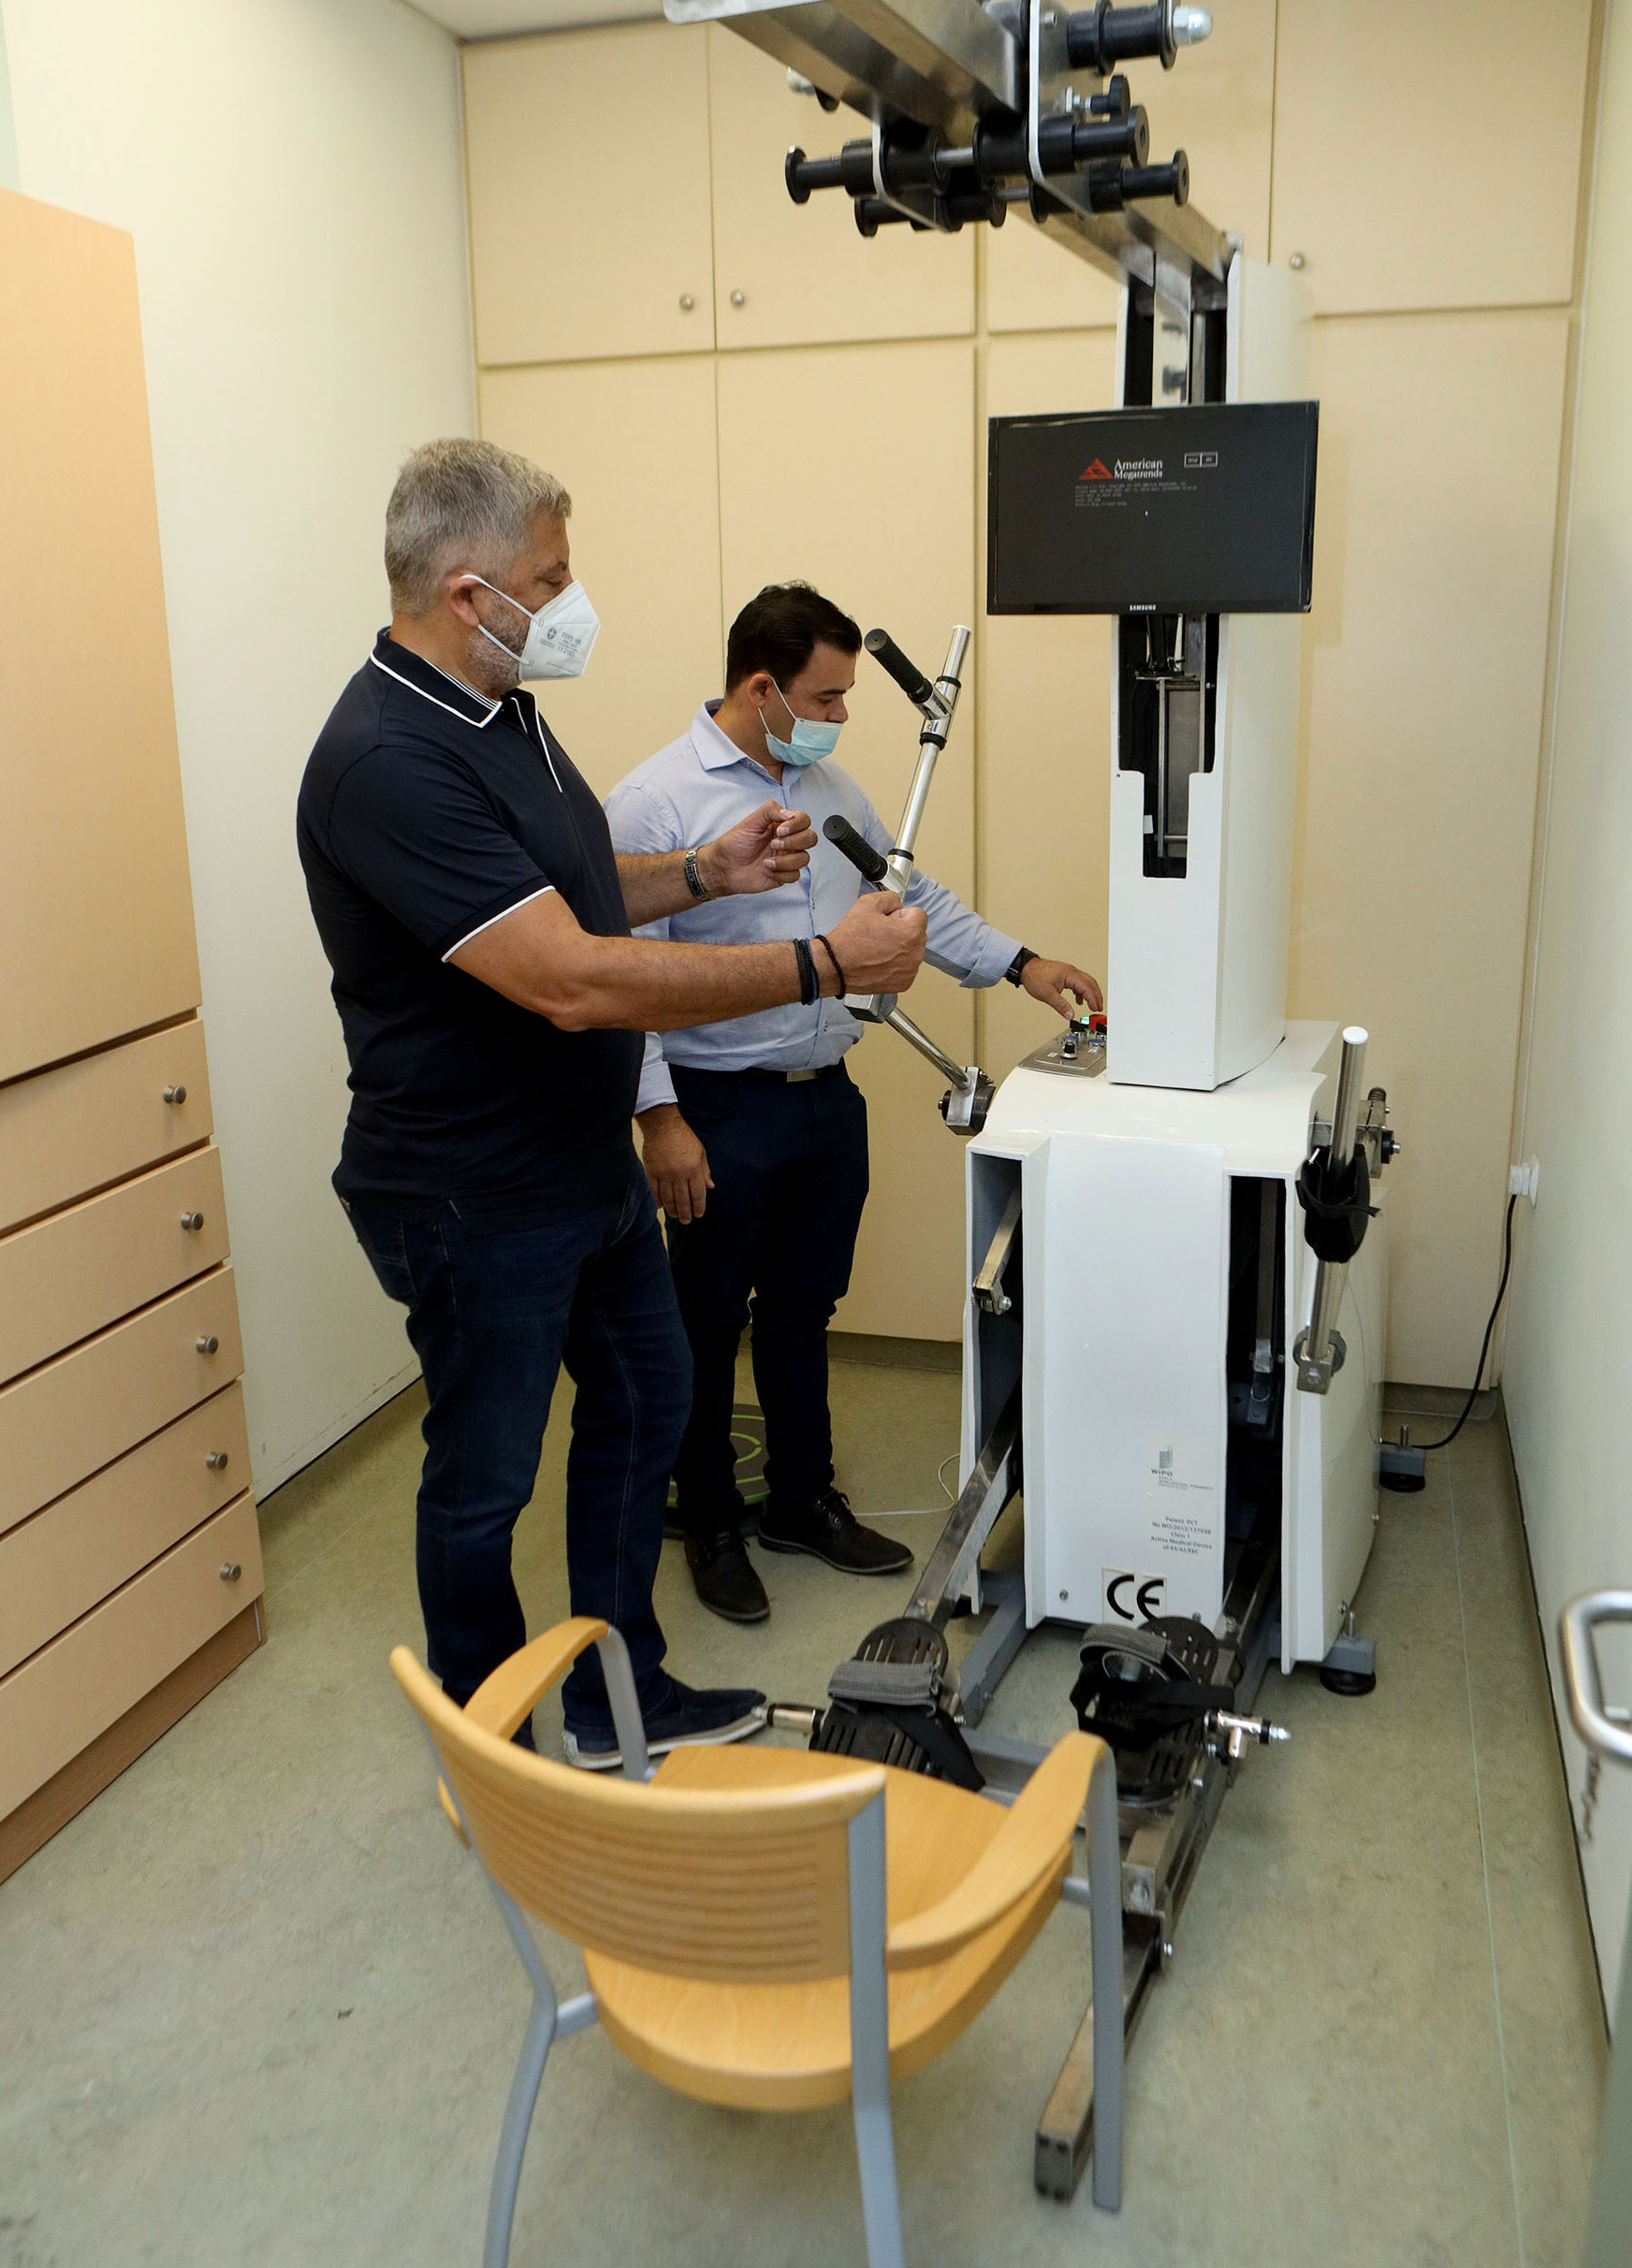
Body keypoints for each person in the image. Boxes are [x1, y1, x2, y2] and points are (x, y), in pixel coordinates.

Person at [296, 446, 926, 1766]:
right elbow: (570, 977)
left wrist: (700, 871)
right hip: (471, 1190)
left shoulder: (502, 710)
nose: (568, 603)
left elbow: (572, 891)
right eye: (550, 580)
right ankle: (497, 1745)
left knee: (647, 1397)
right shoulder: (386, 759)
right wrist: (820, 961)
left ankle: (613, 1691)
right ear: (466, 594)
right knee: (485, 1475)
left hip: (578, 1167)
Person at [604, 583, 1102, 1626]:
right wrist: (659, 1120)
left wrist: (1023, 963)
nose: (838, 715)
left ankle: (799, 1501)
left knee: (801, 1311)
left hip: (825, 1101)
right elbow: (624, 981)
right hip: (714, 1107)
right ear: (762, 688)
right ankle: (711, 1523)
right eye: (826, 696)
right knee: (704, 1325)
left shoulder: (828, 787)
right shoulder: (655, 805)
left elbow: (913, 899)